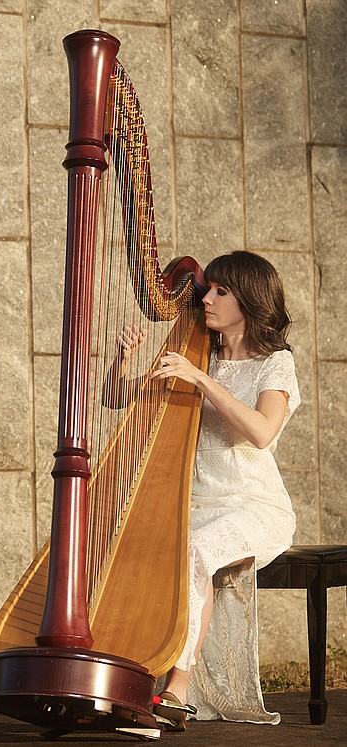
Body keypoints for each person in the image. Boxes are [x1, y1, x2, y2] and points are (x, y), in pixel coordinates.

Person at [128, 250, 300, 730]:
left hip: (253, 507)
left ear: (248, 300)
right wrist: (123, 359)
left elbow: (262, 432)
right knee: (137, 550)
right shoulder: (198, 355)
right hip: (196, 503)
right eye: (209, 288)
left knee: (198, 548)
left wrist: (201, 380)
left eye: (221, 290)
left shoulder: (274, 365)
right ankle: (127, 681)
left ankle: (176, 691)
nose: (207, 296)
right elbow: (119, 398)